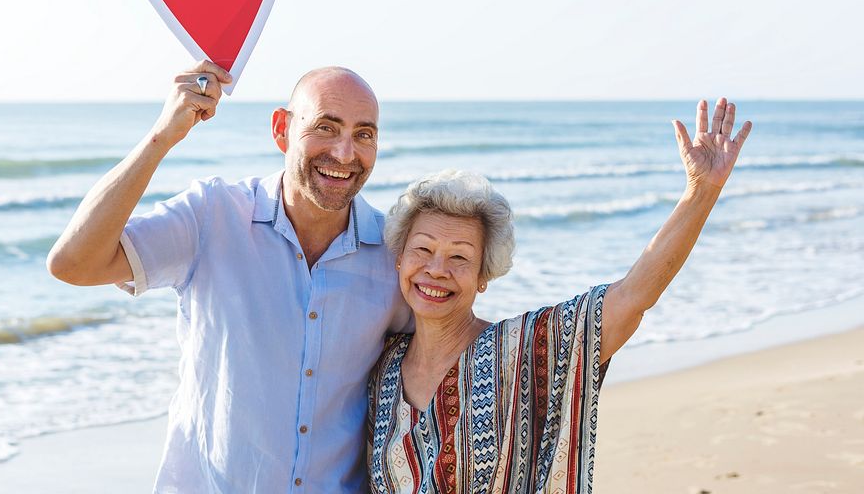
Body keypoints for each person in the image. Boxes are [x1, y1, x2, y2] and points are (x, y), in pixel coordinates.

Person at [47, 61, 410, 494]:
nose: (345, 154)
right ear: (281, 130)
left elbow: (443, 363)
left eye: (364, 134)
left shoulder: (395, 255)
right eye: (326, 128)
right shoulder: (211, 215)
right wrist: (163, 136)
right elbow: (74, 262)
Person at [368, 98, 752, 493]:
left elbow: (632, 296)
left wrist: (701, 192)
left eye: (459, 257)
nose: (437, 269)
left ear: (484, 276)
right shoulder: (381, 369)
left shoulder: (524, 352)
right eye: (423, 249)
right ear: (399, 259)